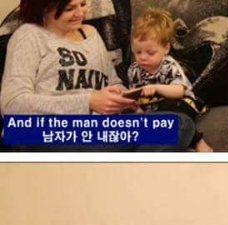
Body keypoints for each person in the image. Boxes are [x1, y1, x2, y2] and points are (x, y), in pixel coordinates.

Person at [0, 0, 195, 151]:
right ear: (45, 7)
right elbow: (12, 104)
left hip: (98, 129)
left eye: (83, 4)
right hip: (40, 131)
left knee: (178, 124)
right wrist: (89, 101)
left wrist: (124, 98)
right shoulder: (28, 35)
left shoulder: (91, 34)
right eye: (69, 8)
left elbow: (113, 82)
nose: (80, 13)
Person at [128, 8, 212, 153]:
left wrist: (156, 88)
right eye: (138, 52)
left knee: (172, 109)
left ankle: (197, 139)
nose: (143, 57)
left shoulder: (169, 65)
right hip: (152, 111)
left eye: (150, 53)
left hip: (179, 103)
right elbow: (135, 96)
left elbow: (179, 91)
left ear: (166, 48)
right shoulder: (134, 70)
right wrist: (134, 106)